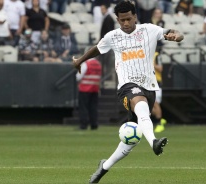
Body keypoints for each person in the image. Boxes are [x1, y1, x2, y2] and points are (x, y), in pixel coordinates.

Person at [72, 1, 183, 183]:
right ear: (117, 19)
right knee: (140, 105)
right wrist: (80, 61)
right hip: (126, 86)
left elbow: (175, 33)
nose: (125, 23)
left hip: (149, 87)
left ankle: (104, 167)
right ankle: (154, 141)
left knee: (131, 139)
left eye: (128, 19)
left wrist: (177, 37)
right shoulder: (112, 36)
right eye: (122, 20)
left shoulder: (149, 30)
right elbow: (96, 49)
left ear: (135, 17)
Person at [76, 57, 102, 130]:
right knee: (93, 108)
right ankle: (94, 124)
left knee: (83, 108)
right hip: (95, 89)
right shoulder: (98, 64)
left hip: (85, 89)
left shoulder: (86, 64)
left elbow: (78, 76)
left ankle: (83, 124)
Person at [152, 49, 167, 133]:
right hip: (148, 82)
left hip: (156, 82)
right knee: (148, 104)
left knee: (155, 103)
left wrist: (153, 65)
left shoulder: (156, 55)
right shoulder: (145, 55)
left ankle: (159, 122)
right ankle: (159, 119)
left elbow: (160, 68)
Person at [99, 3, 115, 81]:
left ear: (106, 9)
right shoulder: (107, 18)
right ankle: (105, 77)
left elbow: (108, 33)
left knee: (107, 62)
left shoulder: (108, 19)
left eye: (103, 9)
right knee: (104, 62)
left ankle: (107, 78)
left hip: (107, 44)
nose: (101, 11)